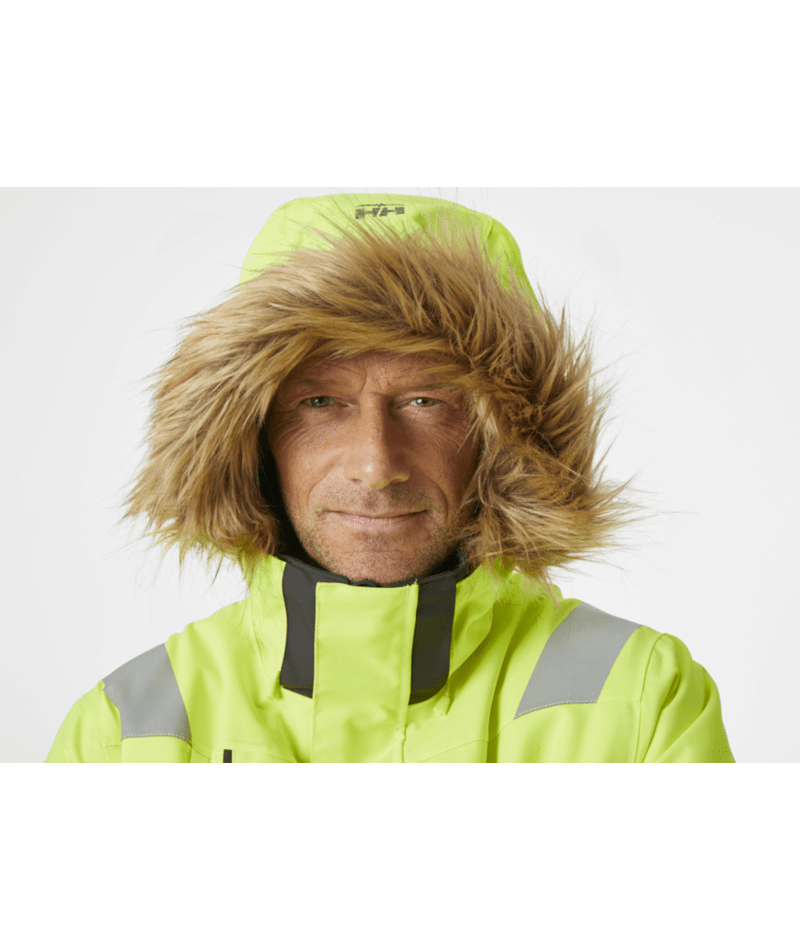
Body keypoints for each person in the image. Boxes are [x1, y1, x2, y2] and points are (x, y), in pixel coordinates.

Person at [45, 193, 735, 763]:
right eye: (320, 402)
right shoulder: (123, 735)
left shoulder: (642, 699)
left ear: (503, 440)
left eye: (426, 401)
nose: (376, 467)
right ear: (249, 438)